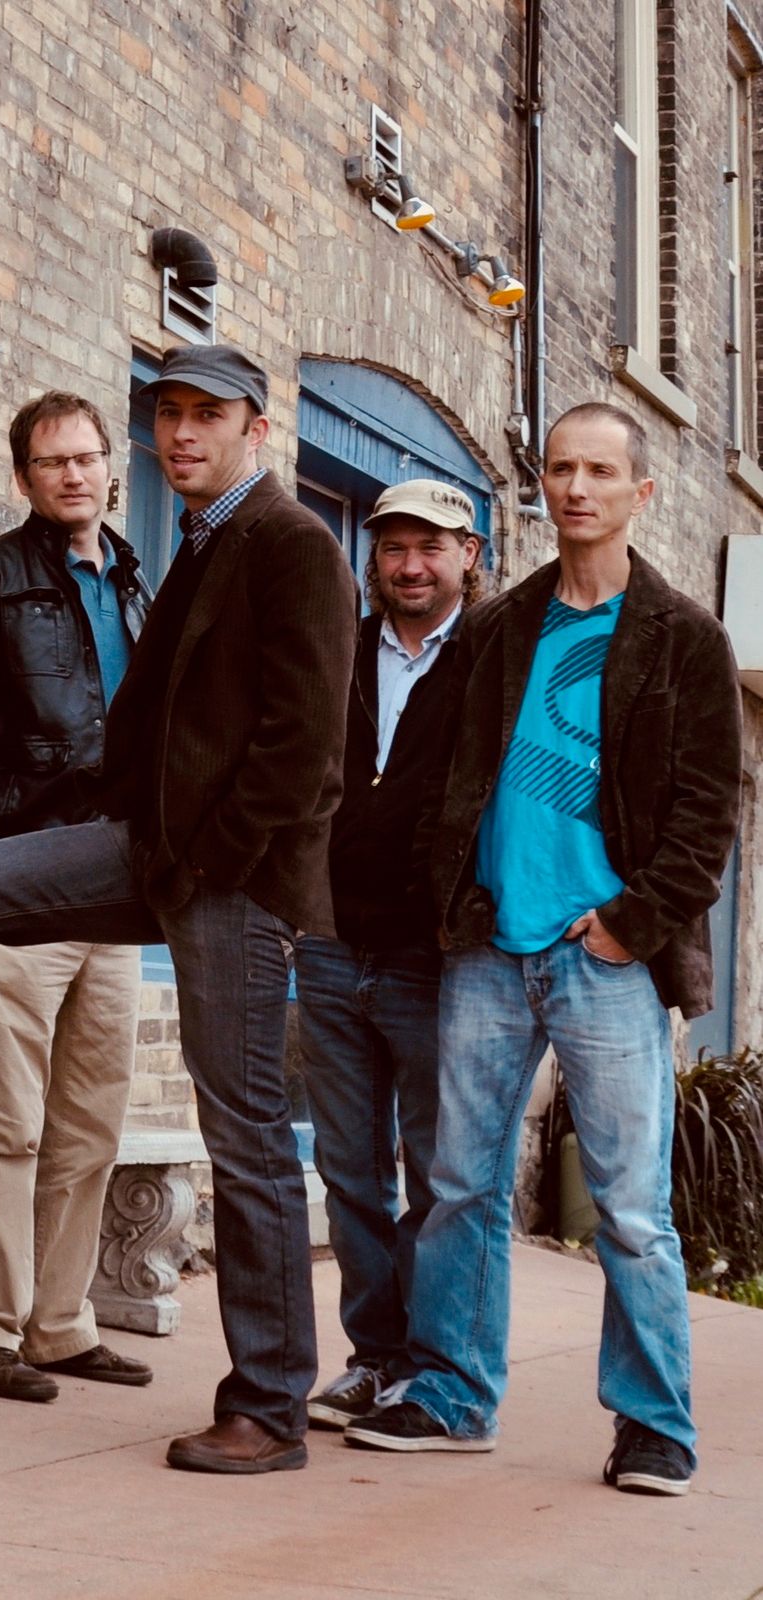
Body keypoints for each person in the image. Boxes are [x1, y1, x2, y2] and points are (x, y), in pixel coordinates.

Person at [0, 344, 359, 1473]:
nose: (181, 434)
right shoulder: (194, 544)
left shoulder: (289, 543)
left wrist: (209, 860)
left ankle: (269, 1408)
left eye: (207, 415)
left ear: (256, 428)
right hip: (144, 853)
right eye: (168, 414)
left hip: (229, 881)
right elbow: (137, 734)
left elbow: (305, 746)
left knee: (242, 1133)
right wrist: (104, 844)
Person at [343, 404, 742, 1498]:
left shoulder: (683, 637)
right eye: (561, 468)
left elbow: (707, 814)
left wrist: (632, 921)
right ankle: (452, 1394)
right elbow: (447, 782)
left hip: (605, 958)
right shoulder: (500, 626)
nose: (576, 488)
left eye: (600, 472)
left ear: (639, 493)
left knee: (629, 1207)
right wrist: (452, 895)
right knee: (459, 1186)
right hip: (487, 947)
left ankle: (653, 1424)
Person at [0, 391, 153, 1403]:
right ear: (23, 477)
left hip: (117, 891)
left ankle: (59, 1324)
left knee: (88, 1124)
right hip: (21, 883)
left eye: (86, 457)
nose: (72, 474)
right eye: (51, 461)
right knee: (0, 1122)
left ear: (109, 468)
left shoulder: (138, 584)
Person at [296, 479, 483, 1430]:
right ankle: (372, 1357)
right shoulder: (342, 644)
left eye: (430, 548)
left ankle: (430, 1366)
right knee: (349, 1174)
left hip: (431, 957)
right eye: (394, 549)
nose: (410, 567)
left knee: (439, 1177)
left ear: (468, 556)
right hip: (330, 943)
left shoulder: (490, 656)